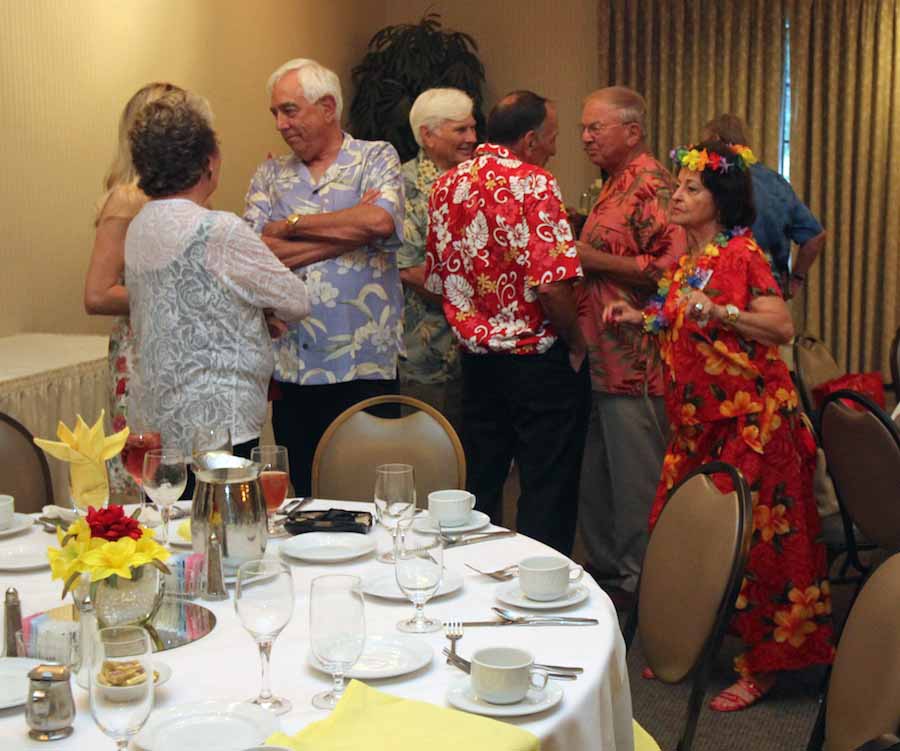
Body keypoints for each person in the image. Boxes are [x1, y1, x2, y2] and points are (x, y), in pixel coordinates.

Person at [604, 140, 834, 711]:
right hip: (698, 428)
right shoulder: (694, 258)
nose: (675, 196)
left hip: (752, 426)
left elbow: (778, 327)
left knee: (760, 551)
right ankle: (693, 644)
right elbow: (688, 318)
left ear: (719, 200)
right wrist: (641, 317)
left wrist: (723, 312)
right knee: (688, 540)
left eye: (690, 189)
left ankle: (765, 668)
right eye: (676, 188)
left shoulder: (743, 255)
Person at [425, 90, 590, 555]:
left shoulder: (446, 187)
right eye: (553, 138)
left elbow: (437, 279)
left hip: (476, 362)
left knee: (482, 482)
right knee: (547, 486)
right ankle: (540, 591)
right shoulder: (535, 184)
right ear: (532, 139)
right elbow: (553, 285)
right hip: (536, 359)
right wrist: (576, 342)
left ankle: (479, 576)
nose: (555, 148)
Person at [244, 58, 405, 496]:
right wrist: (345, 235)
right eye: (275, 113)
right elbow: (256, 251)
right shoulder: (270, 174)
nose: (280, 123)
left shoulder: (376, 157)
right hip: (295, 367)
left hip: (364, 360)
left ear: (328, 107)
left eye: (289, 110)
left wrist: (291, 223)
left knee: (368, 490)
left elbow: (378, 222)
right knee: (304, 498)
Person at [125, 90, 309, 462]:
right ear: (209, 162)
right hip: (222, 417)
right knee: (227, 520)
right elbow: (296, 300)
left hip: (161, 417)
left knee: (172, 517)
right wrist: (261, 315)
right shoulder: (218, 229)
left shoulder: (139, 226)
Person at [575, 87, 685, 604]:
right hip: (601, 358)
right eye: (583, 128)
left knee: (638, 484)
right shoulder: (613, 184)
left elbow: (673, 272)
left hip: (638, 363)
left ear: (632, 131)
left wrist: (592, 260)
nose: (585, 137)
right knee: (599, 480)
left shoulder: (651, 186)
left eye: (596, 127)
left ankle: (649, 597)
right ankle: (607, 580)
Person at [83, 82, 182, 500]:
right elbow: (98, 293)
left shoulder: (182, 194)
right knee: (149, 474)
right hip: (142, 352)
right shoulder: (127, 198)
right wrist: (170, 292)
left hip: (180, 348)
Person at [397, 88, 477, 432]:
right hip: (426, 356)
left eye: (473, 128)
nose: (472, 138)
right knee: (431, 463)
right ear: (427, 135)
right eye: (461, 130)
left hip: (478, 355)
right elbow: (410, 270)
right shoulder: (404, 186)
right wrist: (480, 304)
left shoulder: (477, 180)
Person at [702, 113, 826, 298]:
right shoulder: (776, 182)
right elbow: (816, 236)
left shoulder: (714, 181)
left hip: (725, 291)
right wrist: (796, 279)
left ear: (716, 140)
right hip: (771, 290)